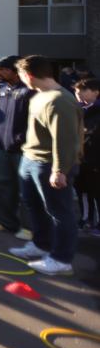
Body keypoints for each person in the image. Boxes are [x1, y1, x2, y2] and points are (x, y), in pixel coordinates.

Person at [9, 55, 83, 275]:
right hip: (31, 159)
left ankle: (61, 260)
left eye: (21, 75)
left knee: (59, 212)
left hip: (50, 164)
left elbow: (66, 139)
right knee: (34, 206)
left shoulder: (60, 99)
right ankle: (41, 244)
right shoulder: (39, 96)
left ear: (28, 75)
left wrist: (60, 170)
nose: (21, 80)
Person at [0, 56, 34, 239]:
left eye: (2, 69)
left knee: (27, 190)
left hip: (25, 150)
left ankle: (29, 228)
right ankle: (6, 222)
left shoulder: (30, 89)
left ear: (14, 70)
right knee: (2, 186)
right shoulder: (1, 88)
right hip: (3, 146)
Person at [73, 78, 100, 235]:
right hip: (80, 158)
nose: (79, 95)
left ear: (96, 92)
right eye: (77, 92)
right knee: (82, 190)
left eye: (83, 91)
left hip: (95, 158)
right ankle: (86, 219)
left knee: (96, 192)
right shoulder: (77, 109)